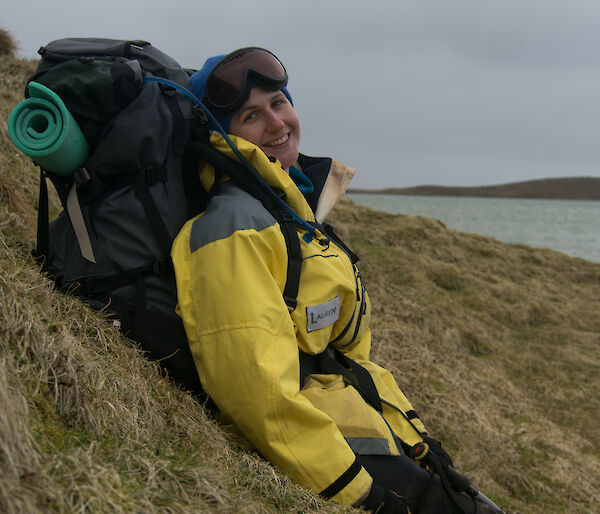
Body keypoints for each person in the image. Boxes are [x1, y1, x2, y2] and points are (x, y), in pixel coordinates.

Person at [171, 47, 502, 513]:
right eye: (251, 115)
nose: (276, 123)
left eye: (279, 102)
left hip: (361, 428)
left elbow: (344, 357)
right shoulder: (231, 232)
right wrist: (362, 496)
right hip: (334, 457)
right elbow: (259, 396)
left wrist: (415, 443)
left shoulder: (292, 211)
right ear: (222, 137)